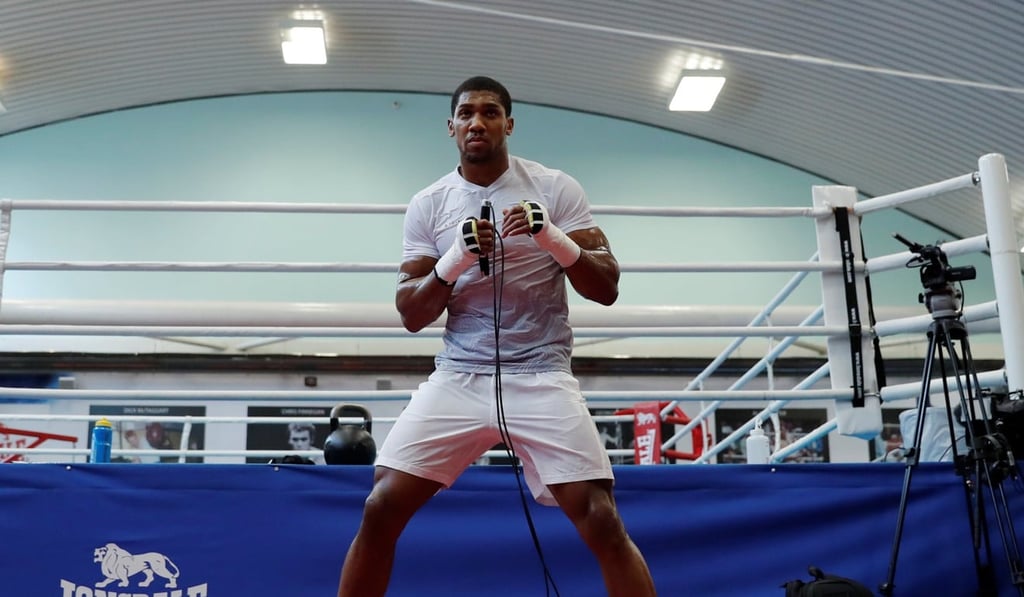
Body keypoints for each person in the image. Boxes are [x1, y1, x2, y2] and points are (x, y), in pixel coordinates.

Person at [337, 76, 657, 596]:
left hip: (541, 374)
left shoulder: (554, 188)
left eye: (489, 112)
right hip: (459, 376)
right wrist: (455, 259)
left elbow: (607, 287)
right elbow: (411, 314)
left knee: (600, 517)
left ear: (508, 123)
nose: (477, 122)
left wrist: (549, 234)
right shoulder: (430, 203)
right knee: (380, 507)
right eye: (466, 114)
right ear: (451, 127)